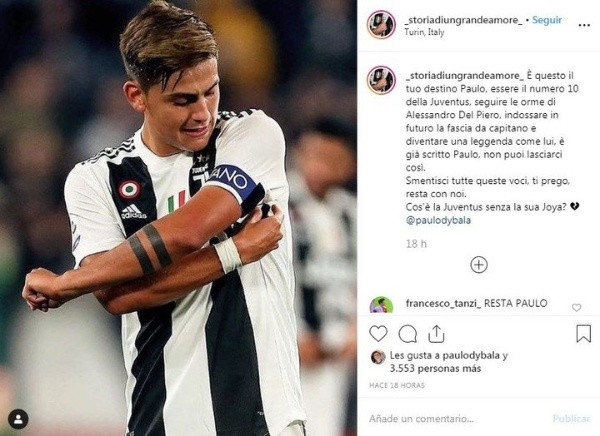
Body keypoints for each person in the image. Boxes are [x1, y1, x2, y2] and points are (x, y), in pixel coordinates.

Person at [22, 1, 306, 435]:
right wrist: (233, 251)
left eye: (211, 91)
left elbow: (191, 229)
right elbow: (116, 297)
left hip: (265, 417)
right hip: (160, 420)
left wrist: (66, 284)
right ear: (136, 96)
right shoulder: (94, 179)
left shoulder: (250, 134)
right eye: (183, 100)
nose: (203, 113)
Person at [289, 118, 356, 436]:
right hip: (289, 349)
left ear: (348, 164)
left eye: (332, 158)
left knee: (327, 426)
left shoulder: (351, 213)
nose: (321, 166)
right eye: (315, 155)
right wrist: (295, 333)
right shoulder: (275, 204)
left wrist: (361, 327)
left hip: (338, 347)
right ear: (299, 154)